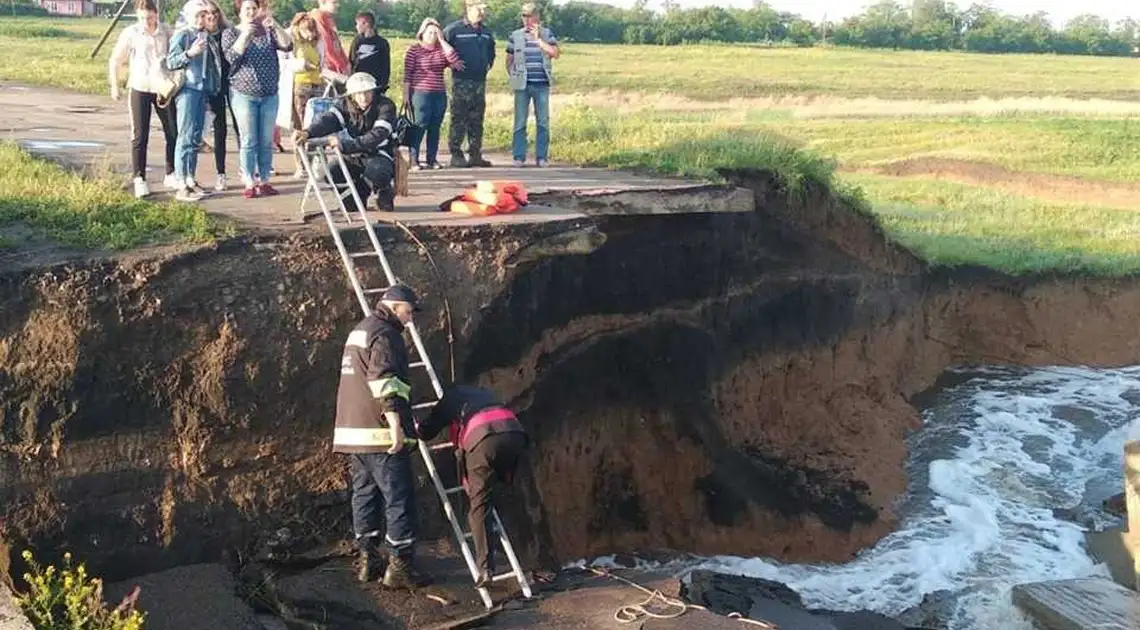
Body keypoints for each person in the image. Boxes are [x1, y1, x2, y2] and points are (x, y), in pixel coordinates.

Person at [332, 284, 431, 589]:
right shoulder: (387, 334)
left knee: (364, 495)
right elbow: (384, 381)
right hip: (379, 433)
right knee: (398, 498)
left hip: (353, 432)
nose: (411, 319)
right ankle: (399, 566)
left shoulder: (361, 330)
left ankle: (367, 560)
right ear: (395, 305)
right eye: (409, 311)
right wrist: (396, 427)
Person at [416, 385, 529, 588]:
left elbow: (426, 432)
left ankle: (485, 568)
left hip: (483, 439)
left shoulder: (450, 399)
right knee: (498, 485)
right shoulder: (486, 392)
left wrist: (415, 427)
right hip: (515, 432)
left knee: (478, 506)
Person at [293, 72, 398, 212]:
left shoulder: (386, 106)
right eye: (359, 93)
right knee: (331, 172)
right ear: (352, 95)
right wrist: (308, 132)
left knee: (378, 171)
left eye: (367, 92)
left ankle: (383, 192)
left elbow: (377, 136)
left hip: (379, 153)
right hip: (352, 154)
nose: (364, 97)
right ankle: (352, 200)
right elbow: (328, 120)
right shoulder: (344, 105)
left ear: (374, 91)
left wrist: (344, 145)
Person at [108, 0, 179, 199]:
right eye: (142, 18)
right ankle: (139, 178)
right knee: (140, 135)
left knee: (172, 131)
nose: (146, 21)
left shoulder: (166, 31)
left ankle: (171, 172)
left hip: (162, 88)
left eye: (149, 17)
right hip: (139, 86)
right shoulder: (131, 33)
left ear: (156, 14)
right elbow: (116, 59)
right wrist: (115, 85)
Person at [223, 0, 292, 198]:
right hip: (243, 93)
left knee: (265, 139)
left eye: (254, 9)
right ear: (240, 11)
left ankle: (264, 180)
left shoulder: (268, 32)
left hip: (269, 94)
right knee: (249, 139)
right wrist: (246, 34)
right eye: (247, 9)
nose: (251, 12)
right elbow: (231, 57)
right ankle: (248, 180)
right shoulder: (231, 33)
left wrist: (276, 25)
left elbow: (287, 45)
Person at [168, 0, 223, 202]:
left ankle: (191, 179)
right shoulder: (183, 34)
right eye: (199, 15)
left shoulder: (204, 35)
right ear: (190, 16)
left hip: (202, 90)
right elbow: (171, 61)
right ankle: (181, 182)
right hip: (188, 90)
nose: (202, 19)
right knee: (185, 136)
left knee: (195, 137)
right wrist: (189, 54)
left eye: (204, 15)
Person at [506, 3, 559, 168]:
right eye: (524, 16)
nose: (527, 20)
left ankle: (542, 157)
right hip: (523, 84)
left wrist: (538, 40)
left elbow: (555, 53)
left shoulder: (547, 33)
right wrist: (513, 75)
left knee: (542, 122)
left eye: (530, 16)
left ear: (537, 17)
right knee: (520, 122)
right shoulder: (515, 35)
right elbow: (509, 59)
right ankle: (519, 157)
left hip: (541, 83)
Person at [443, 0, 495, 168]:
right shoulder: (454, 30)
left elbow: (491, 52)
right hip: (461, 81)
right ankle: (456, 154)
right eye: (478, 8)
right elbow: (441, 49)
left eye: (483, 9)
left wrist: (487, 64)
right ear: (468, 8)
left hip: (479, 81)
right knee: (459, 117)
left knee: (476, 118)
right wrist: (451, 63)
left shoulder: (486, 32)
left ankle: (475, 153)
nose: (481, 12)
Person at [402, 18, 459, 170]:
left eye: (435, 32)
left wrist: (442, 40)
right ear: (422, 33)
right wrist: (406, 95)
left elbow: (454, 60)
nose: (432, 35)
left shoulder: (441, 50)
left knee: (435, 127)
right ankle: (414, 160)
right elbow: (407, 74)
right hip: (420, 93)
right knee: (419, 125)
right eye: (430, 32)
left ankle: (432, 159)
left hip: (439, 93)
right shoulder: (414, 50)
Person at [286, 11, 323, 178]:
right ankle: (300, 165)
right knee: (300, 126)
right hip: (300, 85)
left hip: (317, 84)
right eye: (307, 30)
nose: (310, 34)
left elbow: (322, 61)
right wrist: (302, 64)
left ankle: (313, 162)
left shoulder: (316, 42)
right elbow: (287, 62)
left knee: (316, 126)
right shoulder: (293, 41)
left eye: (312, 30)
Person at [203, 2, 234, 191]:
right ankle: (220, 173)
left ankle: (247, 170)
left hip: (231, 84)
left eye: (215, 13)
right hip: (212, 89)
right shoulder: (200, 36)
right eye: (207, 14)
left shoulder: (227, 32)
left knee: (240, 128)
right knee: (219, 130)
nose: (212, 17)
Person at [309, 0, 349, 86]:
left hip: (334, 66)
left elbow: (337, 44)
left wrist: (346, 62)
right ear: (322, 2)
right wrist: (342, 65)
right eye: (334, 2)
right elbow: (327, 45)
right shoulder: (318, 17)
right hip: (326, 67)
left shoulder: (329, 18)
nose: (338, 5)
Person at [349, 11, 390, 92]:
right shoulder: (357, 41)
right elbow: (351, 61)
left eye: (358, 24)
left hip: (375, 84)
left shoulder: (382, 43)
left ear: (366, 24)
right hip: (359, 83)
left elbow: (386, 66)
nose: (356, 27)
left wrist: (383, 86)